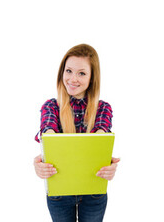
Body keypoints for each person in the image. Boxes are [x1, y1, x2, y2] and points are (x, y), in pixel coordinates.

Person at [33, 44, 119, 222]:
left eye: (82, 73)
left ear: (92, 77)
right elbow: (48, 133)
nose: (73, 79)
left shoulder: (103, 108)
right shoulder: (51, 106)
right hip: (60, 194)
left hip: (93, 192)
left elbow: (101, 138)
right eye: (69, 71)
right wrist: (42, 162)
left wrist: (107, 164)